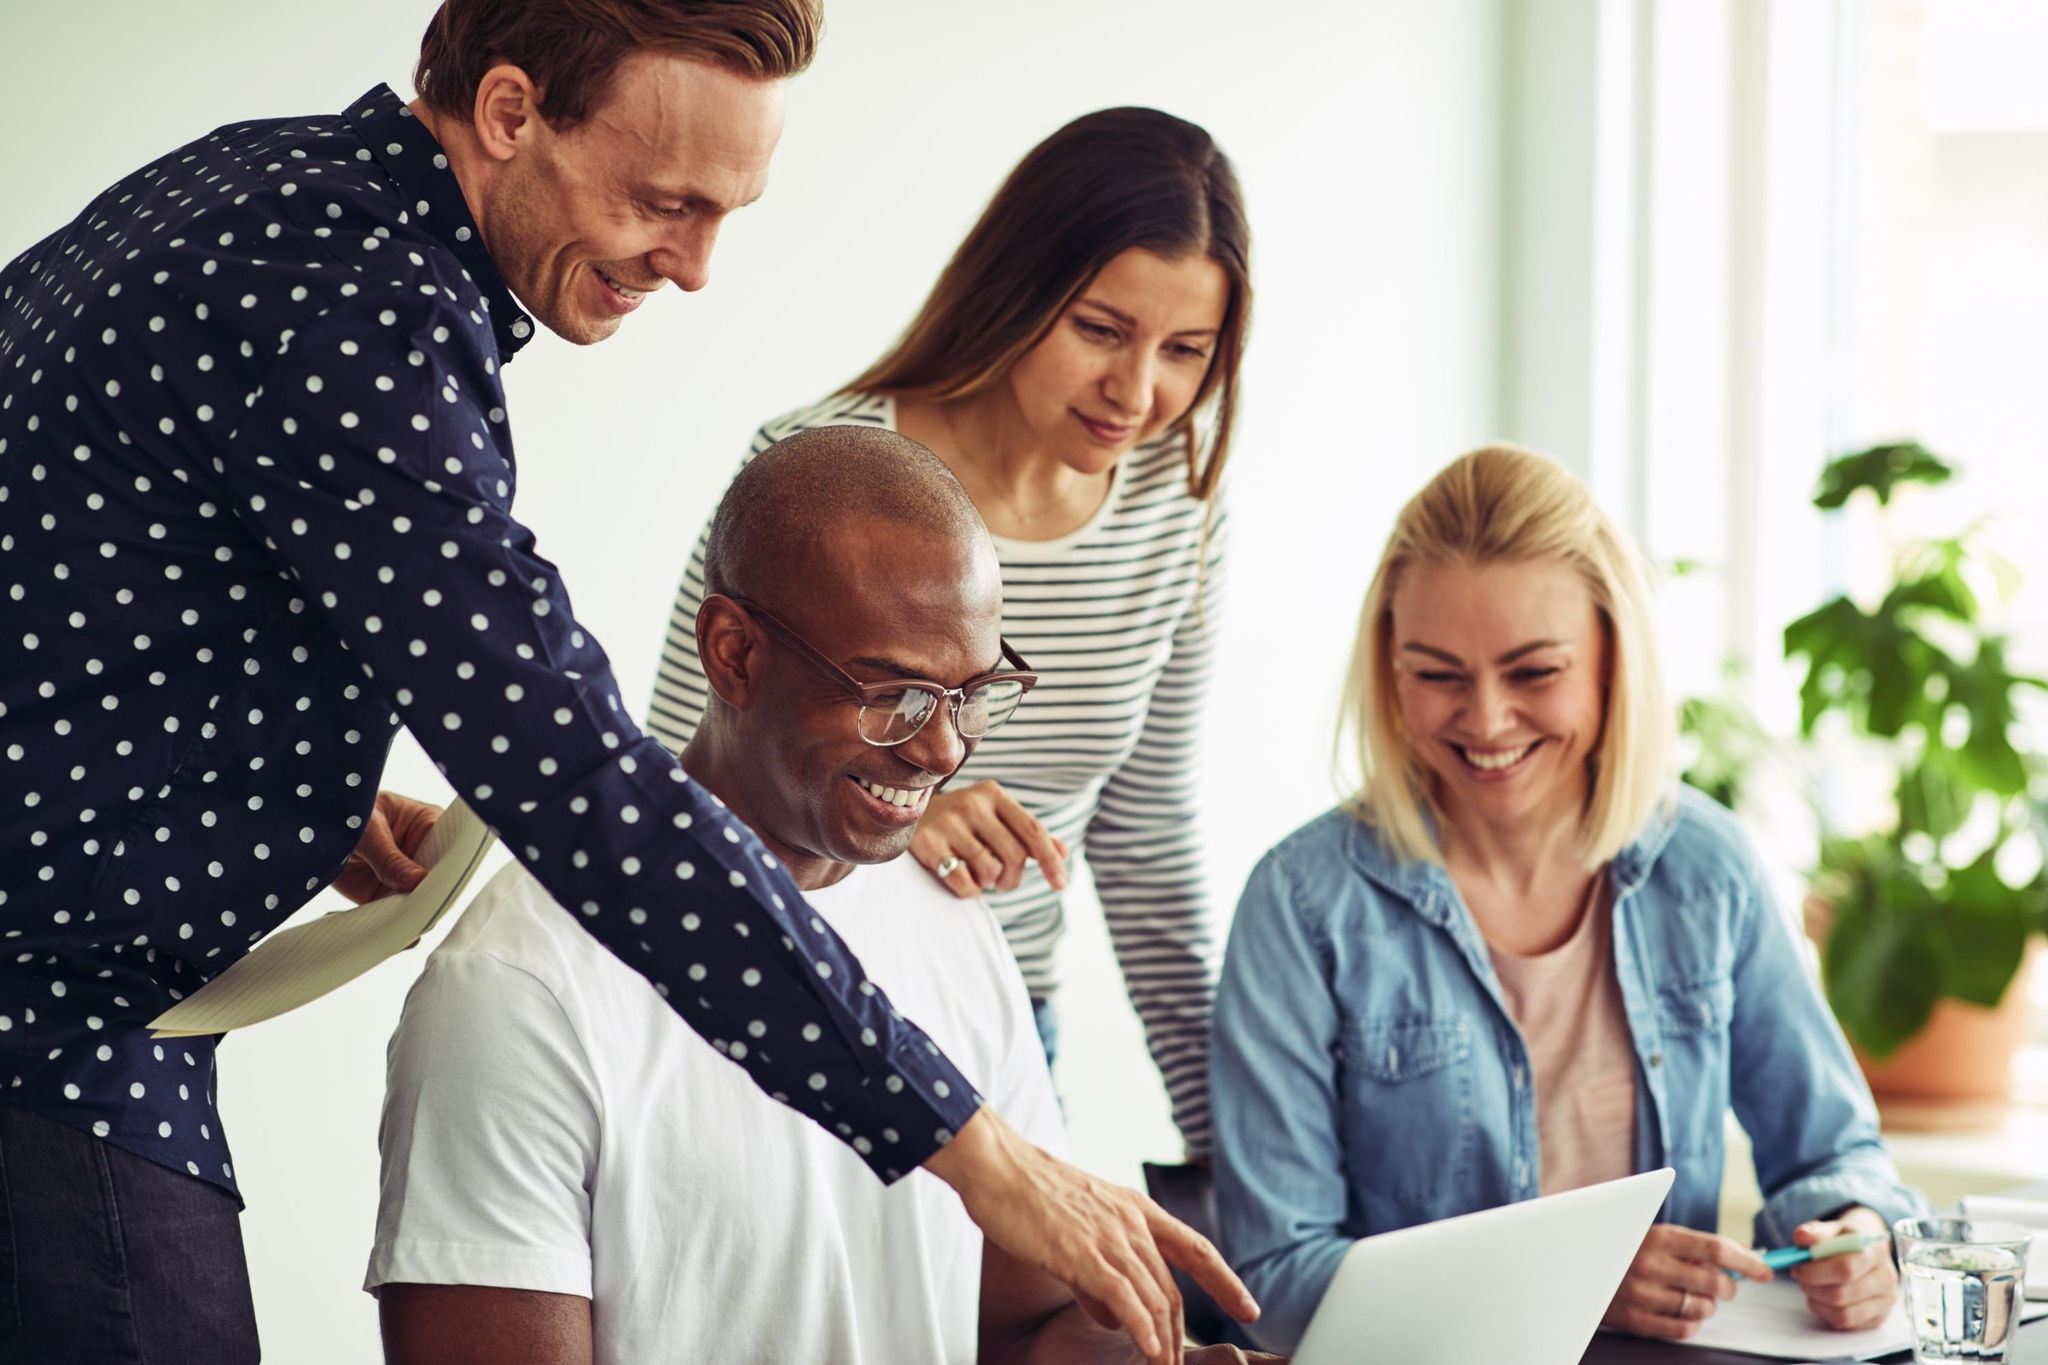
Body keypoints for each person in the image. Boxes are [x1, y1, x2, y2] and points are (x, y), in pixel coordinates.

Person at [0, 4, 1249, 1359]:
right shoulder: (357, 305)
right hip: (49, 1024)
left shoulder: (272, 191)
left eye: (729, 211)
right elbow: (581, 771)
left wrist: (275, 781)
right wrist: (969, 1150)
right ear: (511, 112)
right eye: (667, 199)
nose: (701, 265)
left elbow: (89, 551)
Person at [369, 427, 1278, 1365]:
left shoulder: (949, 915)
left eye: (973, 694)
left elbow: (1021, 1330)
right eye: (897, 698)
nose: (943, 752)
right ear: (733, 654)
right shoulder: (518, 987)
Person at [1209, 445, 1927, 1353]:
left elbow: (1837, 1155)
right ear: (1390, 667)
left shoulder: (1707, 870)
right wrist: (1580, 1282)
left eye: (1534, 672)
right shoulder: (1303, 905)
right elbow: (1274, 1281)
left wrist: (1856, 1232)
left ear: (1610, 661)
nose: (1488, 719)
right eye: (1437, 673)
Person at [648, 106, 1250, 1155]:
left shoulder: (1177, 505)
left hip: (1007, 1031)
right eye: (1100, 330)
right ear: (1017, 291)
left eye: (1185, 350)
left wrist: (1226, 1155)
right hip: (802, 1010)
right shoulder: (817, 468)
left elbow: (1146, 843)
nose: (1137, 390)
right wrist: (889, 802)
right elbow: (674, 782)